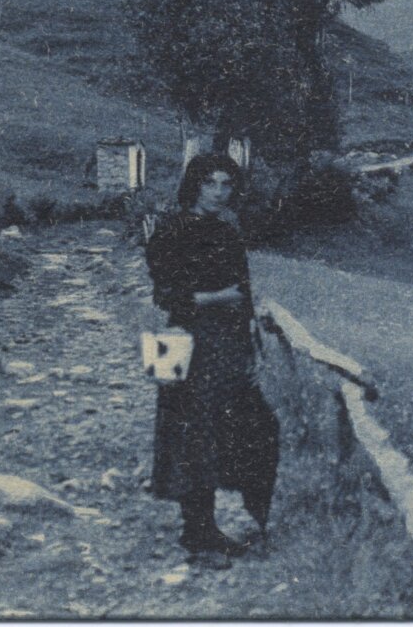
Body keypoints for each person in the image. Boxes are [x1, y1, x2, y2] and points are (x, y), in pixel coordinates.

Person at [145, 152, 280, 567]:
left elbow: (245, 292)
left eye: (226, 185)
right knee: (195, 436)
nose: (219, 193)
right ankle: (198, 534)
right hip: (190, 343)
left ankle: (250, 520)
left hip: (229, 347)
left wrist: (250, 346)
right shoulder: (172, 230)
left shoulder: (227, 231)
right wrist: (218, 298)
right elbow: (166, 296)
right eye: (210, 183)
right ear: (194, 185)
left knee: (255, 426)